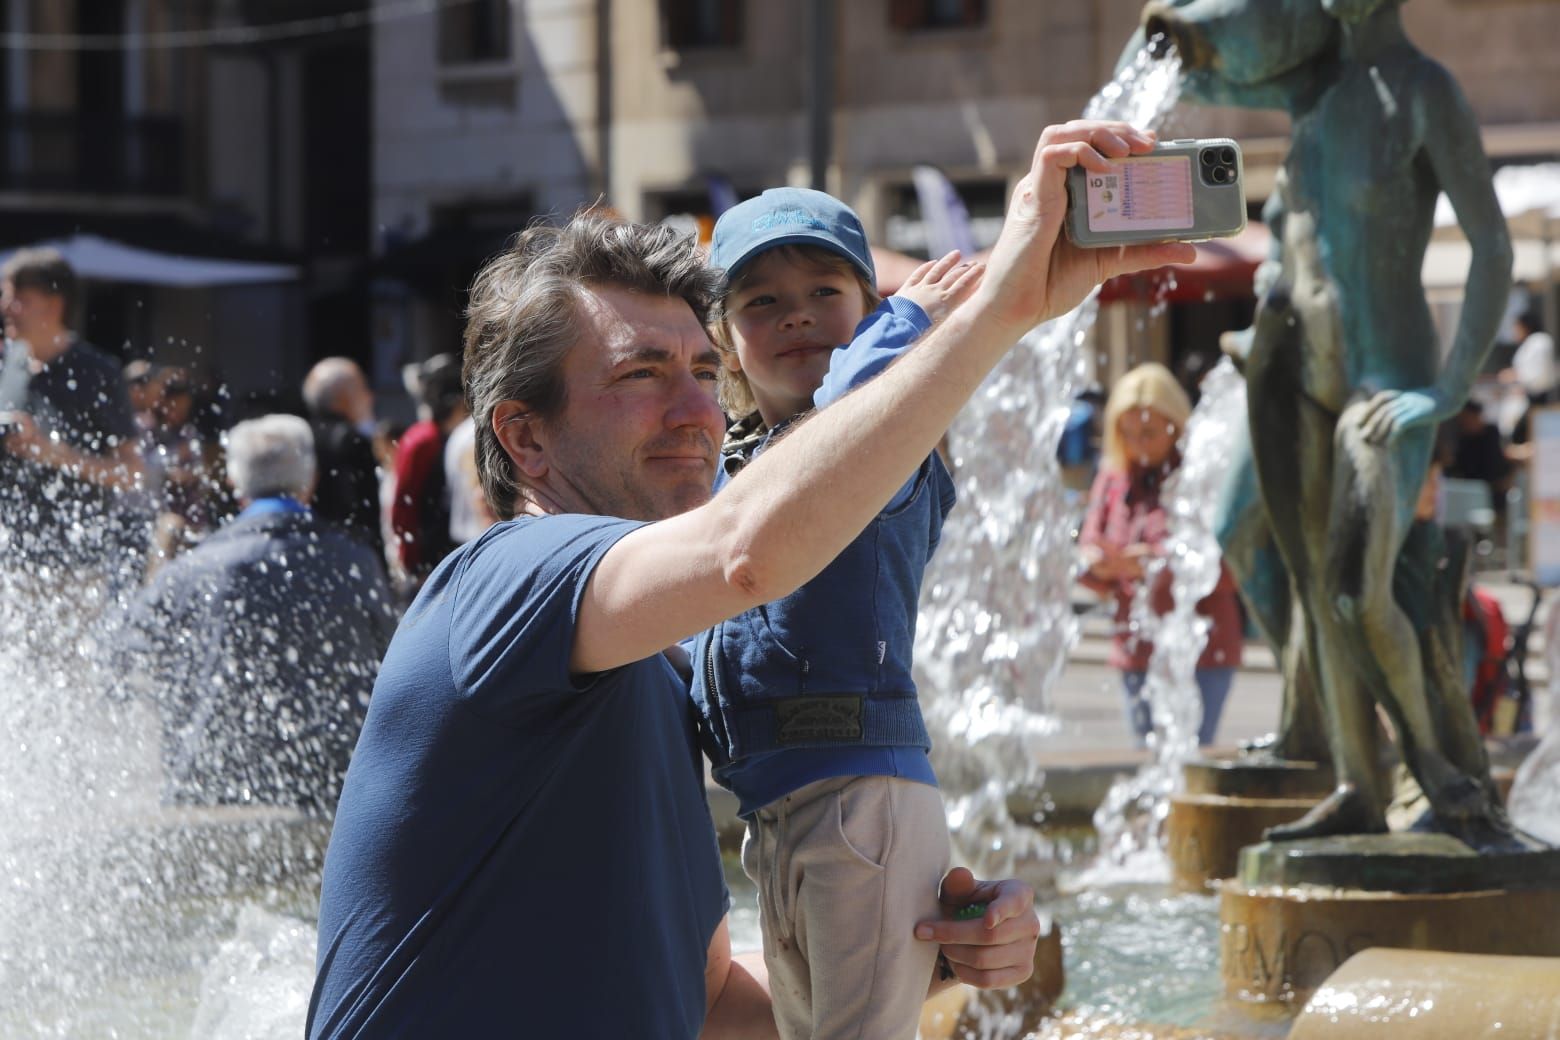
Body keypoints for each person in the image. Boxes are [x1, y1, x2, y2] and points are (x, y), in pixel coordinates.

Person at [308, 119, 1192, 1038]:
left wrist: (912, 948)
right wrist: (990, 308)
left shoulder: (654, 674)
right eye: (643, 373)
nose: (696, 408)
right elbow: (746, 549)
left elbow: (714, 1003)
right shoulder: (506, 579)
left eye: (699, 367)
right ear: (524, 436)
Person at [688, 187, 984, 1040]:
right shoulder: (738, 463)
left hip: (862, 793)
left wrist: (907, 323)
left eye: (826, 292)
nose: (798, 317)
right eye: (763, 303)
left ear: (870, 308)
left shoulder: (884, 432)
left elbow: (857, 404)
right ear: (730, 345)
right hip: (777, 805)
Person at [117, 414, 396, 810]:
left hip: (212, 783)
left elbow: (124, 653)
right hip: (333, 788)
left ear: (234, 483)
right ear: (311, 480)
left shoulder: (190, 570)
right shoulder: (354, 562)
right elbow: (394, 660)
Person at [1077, 363, 1243, 747]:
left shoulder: (1203, 474)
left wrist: (1156, 562)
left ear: (1176, 425)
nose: (1139, 444)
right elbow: (1090, 542)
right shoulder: (1114, 476)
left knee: (1190, 757)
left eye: (1149, 433)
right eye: (1128, 433)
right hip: (1135, 644)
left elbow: (1230, 563)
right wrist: (1096, 563)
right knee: (1145, 758)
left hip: (1202, 644)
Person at [0, 248, 148, 580]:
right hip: (8, 561)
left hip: (72, 568)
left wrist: (56, 455)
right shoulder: (8, 364)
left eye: (18, 298)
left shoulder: (97, 372)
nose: (6, 308)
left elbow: (132, 474)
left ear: (54, 305)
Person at [388, 352, 468, 590]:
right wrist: (412, 562)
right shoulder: (422, 440)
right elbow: (404, 504)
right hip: (429, 559)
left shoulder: (453, 436)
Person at [303, 357, 384, 564]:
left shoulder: (299, 436)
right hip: (349, 555)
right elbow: (368, 511)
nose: (370, 397)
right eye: (362, 389)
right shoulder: (352, 441)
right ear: (342, 399)